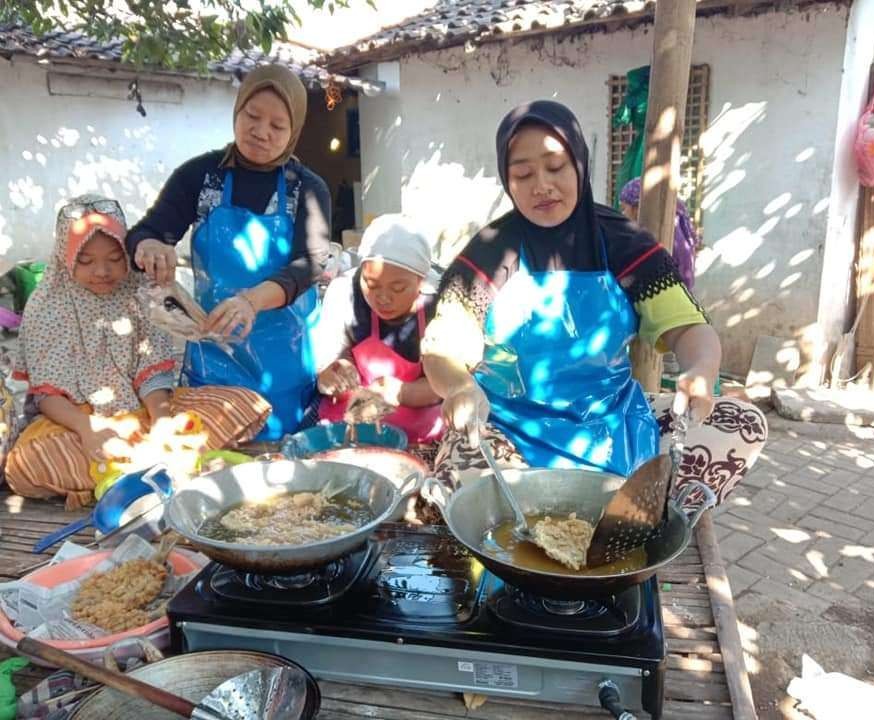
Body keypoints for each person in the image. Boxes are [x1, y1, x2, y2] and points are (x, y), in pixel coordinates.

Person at [420, 101, 766, 505]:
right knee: (457, 484)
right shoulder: (490, 252)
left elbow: (689, 328)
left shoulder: (624, 243)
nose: (541, 186)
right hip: (508, 429)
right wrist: (459, 386)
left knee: (740, 423)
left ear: (579, 165)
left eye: (555, 167)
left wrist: (702, 369)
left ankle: (643, 518)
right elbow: (442, 348)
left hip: (613, 426)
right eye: (523, 174)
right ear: (507, 179)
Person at [6, 196, 270, 509]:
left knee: (243, 404)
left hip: (141, 412)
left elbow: (153, 369)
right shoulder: (46, 305)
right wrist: (89, 431)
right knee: (23, 467)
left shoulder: (140, 291)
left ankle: (129, 470)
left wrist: (161, 424)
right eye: (86, 261)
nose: (102, 271)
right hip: (76, 423)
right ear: (66, 256)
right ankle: (157, 468)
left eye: (115, 258)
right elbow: (47, 394)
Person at [126, 65, 330, 439]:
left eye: (277, 125)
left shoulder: (307, 189)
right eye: (252, 116)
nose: (261, 131)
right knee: (218, 456)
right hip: (214, 355)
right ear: (237, 112)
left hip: (285, 356)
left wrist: (251, 301)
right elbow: (149, 230)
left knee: (286, 462)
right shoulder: (201, 177)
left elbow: (308, 265)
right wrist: (151, 245)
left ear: (294, 130)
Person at [307, 215, 444, 444]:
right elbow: (331, 358)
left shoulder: (438, 304)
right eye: (371, 284)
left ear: (421, 280)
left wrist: (402, 393)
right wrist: (336, 372)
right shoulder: (345, 293)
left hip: (422, 430)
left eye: (398, 288)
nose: (383, 298)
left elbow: (449, 384)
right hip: (354, 424)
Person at [618, 177, 698, 290]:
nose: (622, 214)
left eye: (623, 208)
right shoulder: (674, 228)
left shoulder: (658, 234)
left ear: (637, 208)